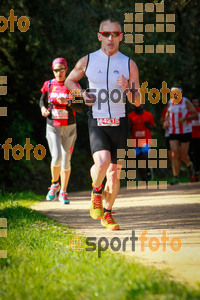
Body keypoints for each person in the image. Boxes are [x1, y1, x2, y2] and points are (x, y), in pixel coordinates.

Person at [63, 18, 140, 230]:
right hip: (97, 120)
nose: (111, 38)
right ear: (99, 36)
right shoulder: (87, 61)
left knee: (114, 174)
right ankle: (96, 191)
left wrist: (127, 88)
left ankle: (107, 214)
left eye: (115, 34)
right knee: (103, 161)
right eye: (106, 34)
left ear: (121, 37)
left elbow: (137, 100)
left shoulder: (128, 63)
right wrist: (81, 93)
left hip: (120, 122)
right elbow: (69, 81)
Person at [39, 57, 82, 204]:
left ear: (66, 69)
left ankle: (63, 192)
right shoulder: (49, 84)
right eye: (56, 70)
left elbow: (80, 108)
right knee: (56, 157)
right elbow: (42, 100)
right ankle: (54, 184)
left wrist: (68, 103)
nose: (59, 73)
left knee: (66, 161)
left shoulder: (73, 84)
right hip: (53, 127)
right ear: (53, 70)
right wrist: (43, 108)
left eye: (61, 70)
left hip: (69, 127)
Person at [164, 87, 198, 185]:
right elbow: (167, 113)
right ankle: (175, 177)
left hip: (185, 131)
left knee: (183, 155)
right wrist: (166, 121)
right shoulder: (170, 102)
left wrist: (185, 119)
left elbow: (195, 114)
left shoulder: (186, 102)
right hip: (173, 131)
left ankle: (189, 165)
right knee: (174, 154)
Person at [128, 104, 155, 181]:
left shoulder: (148, 114)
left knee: (145, 153)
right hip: (135, 141)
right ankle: (144, 178)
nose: (139, 105)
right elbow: (127, 130)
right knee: (137, 158)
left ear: (143, 104)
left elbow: (153, 126)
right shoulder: (130, 116)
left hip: (145, 139)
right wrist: (131, 127)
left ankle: (148, 169)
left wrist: (148, 126)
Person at [189, 97, 200, 181]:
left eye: (196, 102)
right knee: (191, 155)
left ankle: (197, 171)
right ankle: (194, 171)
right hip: (190, 136)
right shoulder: (188, 112)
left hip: (199, 136)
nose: (194, 104)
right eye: (193, 102)